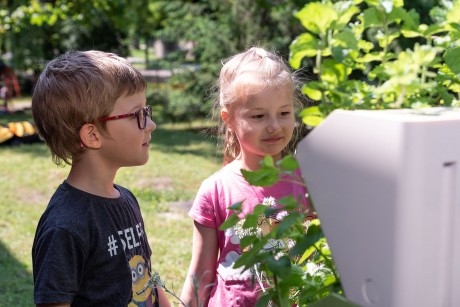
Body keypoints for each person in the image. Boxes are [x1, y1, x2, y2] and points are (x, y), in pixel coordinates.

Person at [31, 50, 170, 307]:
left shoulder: (126, 199)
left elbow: (145, 277)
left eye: (147, 111)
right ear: (92, 135)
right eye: (137, 114)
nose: (151, 124)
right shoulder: (65, 226)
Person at [180, 46, 314, 306]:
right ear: (228, 119)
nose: (274, 125)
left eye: (284, 113)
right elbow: (200, 275)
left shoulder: (308, 182)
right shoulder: (216, 189)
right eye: (259, 116)